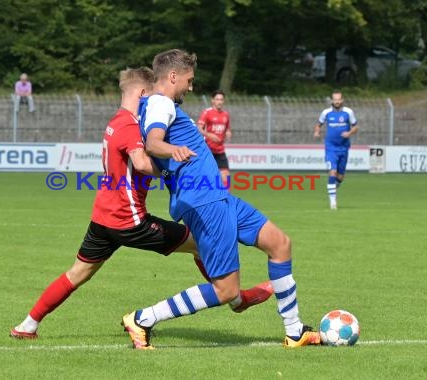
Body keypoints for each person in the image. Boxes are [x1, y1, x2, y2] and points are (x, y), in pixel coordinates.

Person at [10, 67, 272, 339]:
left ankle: (27, 325)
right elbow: (143, 164)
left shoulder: (115, 121)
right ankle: (235, 299)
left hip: (103, 217)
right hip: (130, 220)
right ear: (143, 92)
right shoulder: (130, 127)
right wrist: (175, 169)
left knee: (77, 273)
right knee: (200, 243)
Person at [122, 49, 320, 350]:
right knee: (227, 291)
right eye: (188, 80)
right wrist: (170, 151)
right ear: (172, 76)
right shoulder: (160, 103)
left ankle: (295, 331)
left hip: (218, 197)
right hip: (204, 201)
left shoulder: (161, 106)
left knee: (280, 244)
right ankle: (143, 318)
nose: (190, 87)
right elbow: (153, 142)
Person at [313, 91, 359, 210]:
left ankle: (332, 186)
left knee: (340, 177)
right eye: (335, 99)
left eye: (339, 99)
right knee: (332, 172)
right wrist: (317, 131)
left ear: (342, 100)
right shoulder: (326, 113)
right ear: (332, 101)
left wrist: (349, 133)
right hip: (331, 148)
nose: (337, 102)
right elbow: (319, 124)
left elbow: (356, 127)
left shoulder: (348, 112)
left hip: (344, 148)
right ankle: (333, 202)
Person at [197, 90, 231, 187]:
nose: (219, 101)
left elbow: (227, 128)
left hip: (220, 151)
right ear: (213, 100)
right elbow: (199, 129)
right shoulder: (207, 113)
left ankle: (225, 200)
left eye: (221, 99)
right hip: (208, 150)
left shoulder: (226, 114)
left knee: (226, 178)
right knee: (207, 178)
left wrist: (228, 132)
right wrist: (209, 135)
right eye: (217, 99)